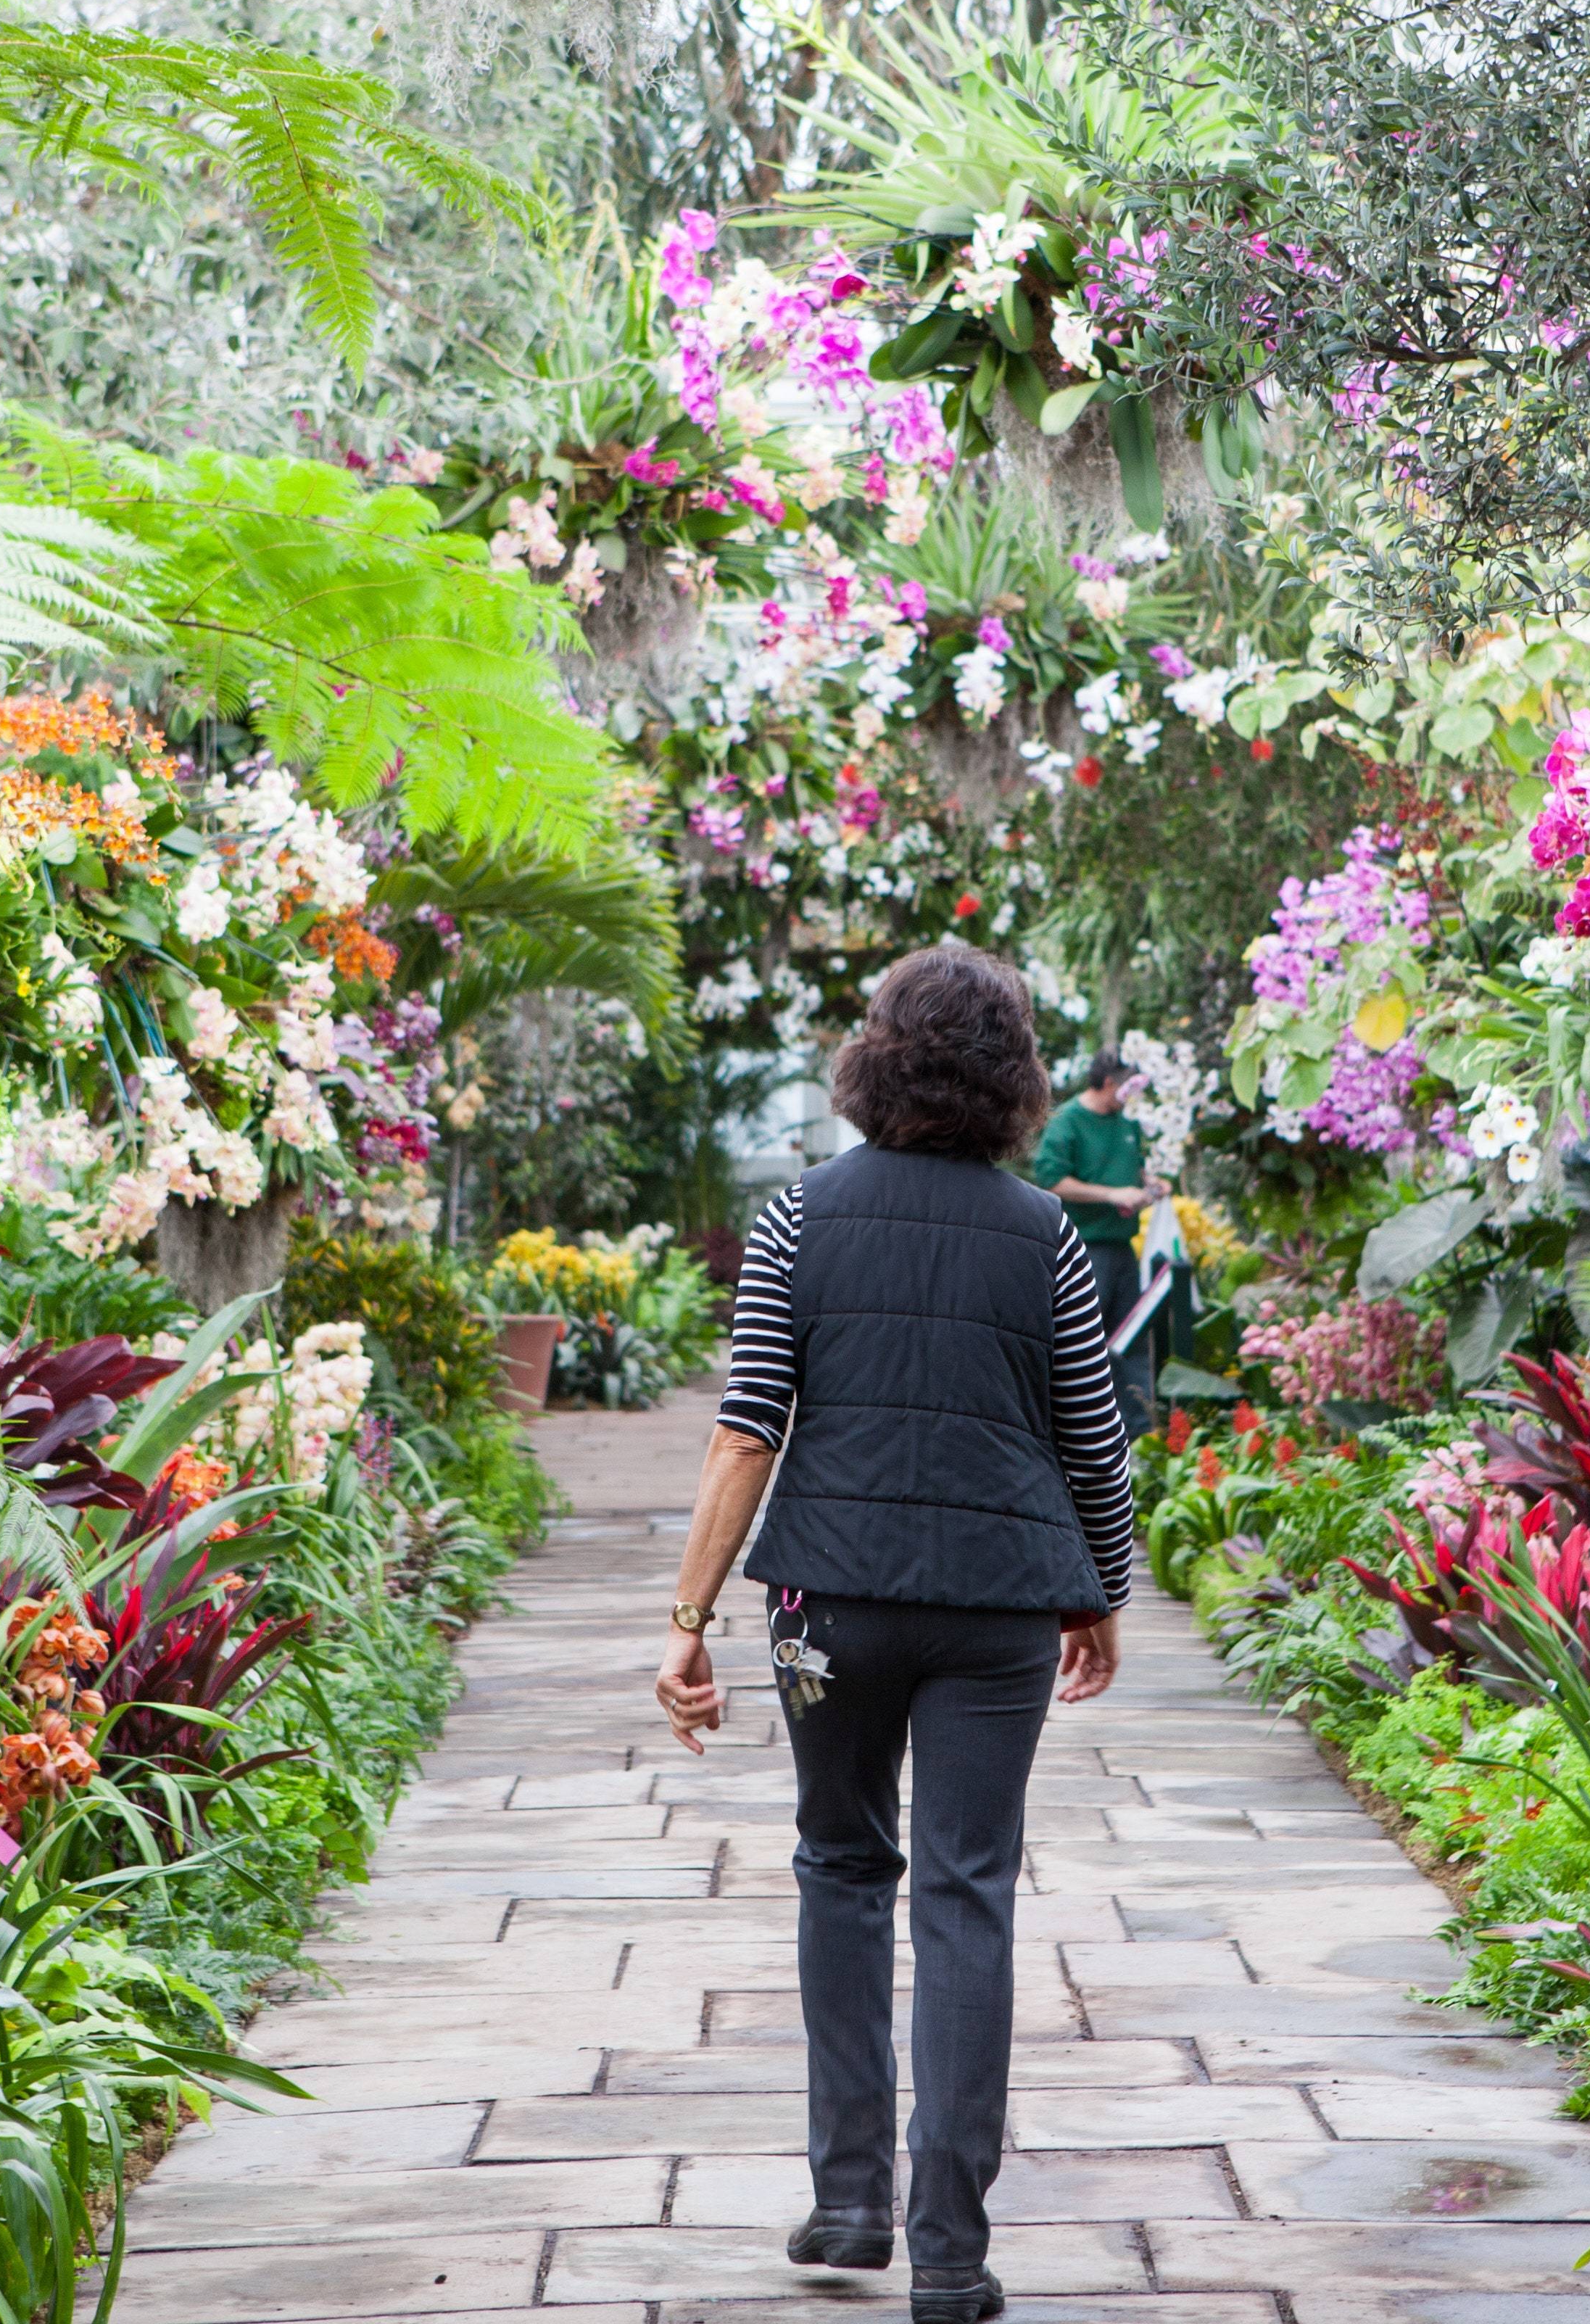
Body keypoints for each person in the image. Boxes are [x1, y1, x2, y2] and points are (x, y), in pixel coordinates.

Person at [651, 946, 1137, 2324]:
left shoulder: (801, 1213)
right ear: (1015, 1077)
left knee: (842, 1863)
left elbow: (747, 1428)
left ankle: (851, 2196)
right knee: (967, 1891)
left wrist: (687, 1621)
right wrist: (1100, 1589)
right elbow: (1091, 1441)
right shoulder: (1042, 1230)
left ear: (875, 1057)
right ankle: (952, 2253)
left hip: (828, 1605)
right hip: (996, 1610)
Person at [1031, 1051, 1162, 1436]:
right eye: (1129, 1086)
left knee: (1133, 1341)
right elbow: (1052, 1180)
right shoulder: (1069, 1122)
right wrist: (1111, 1195)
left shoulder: (1127, 1122)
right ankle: (1085, 1435)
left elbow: (1134, 1168)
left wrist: (1149, 1185)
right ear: (1109, 1083)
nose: (1132, 1095)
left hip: (1123, 1249)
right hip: (1084, 1250)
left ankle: (1142, 1434)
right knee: (1086, 1346)